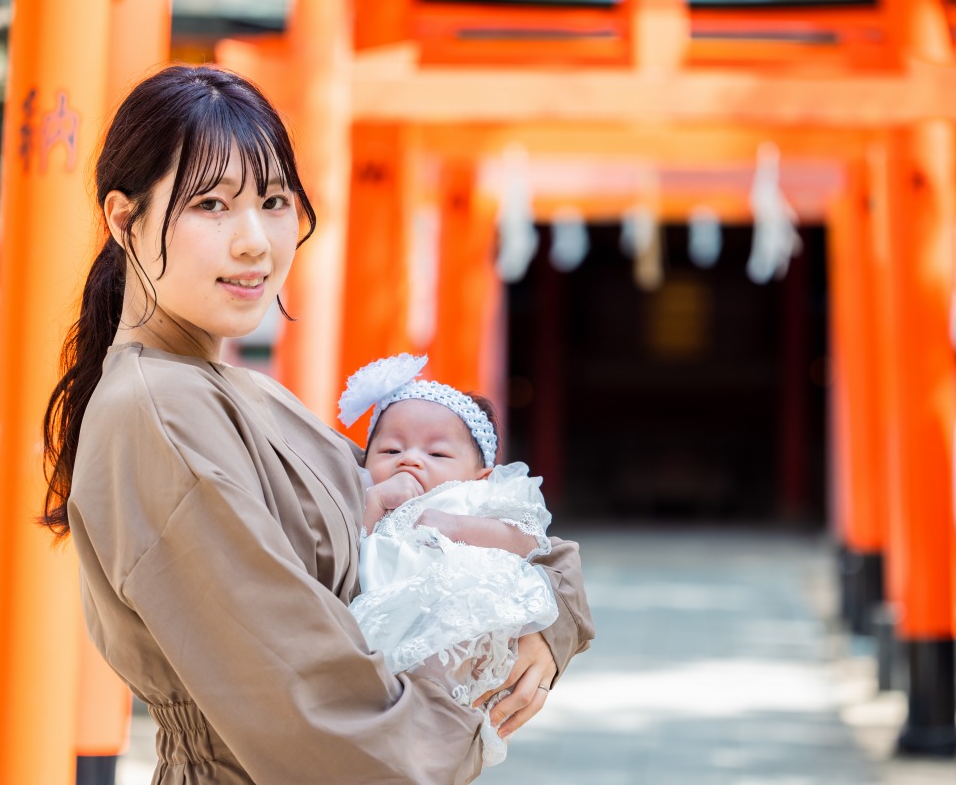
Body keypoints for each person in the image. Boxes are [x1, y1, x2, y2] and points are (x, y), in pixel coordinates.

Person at [41, 64, 594, 784]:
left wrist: (552, 614)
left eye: (273, 201)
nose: (255, 242)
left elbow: (432, 519)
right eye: (211, 204)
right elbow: (309, 705)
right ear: (125, 219)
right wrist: (465, 712)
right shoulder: (158, 410)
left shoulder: (241, 393)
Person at [337, 354, 558, 766]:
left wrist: (454, 524)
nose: (411, 459)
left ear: (481, 476)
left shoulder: (472, 500)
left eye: (437, 454)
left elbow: (527, 540)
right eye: (390, 448)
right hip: (377, 634)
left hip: (456, 629)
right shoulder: (363, 494)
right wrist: (374, 503)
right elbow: (348, 545)